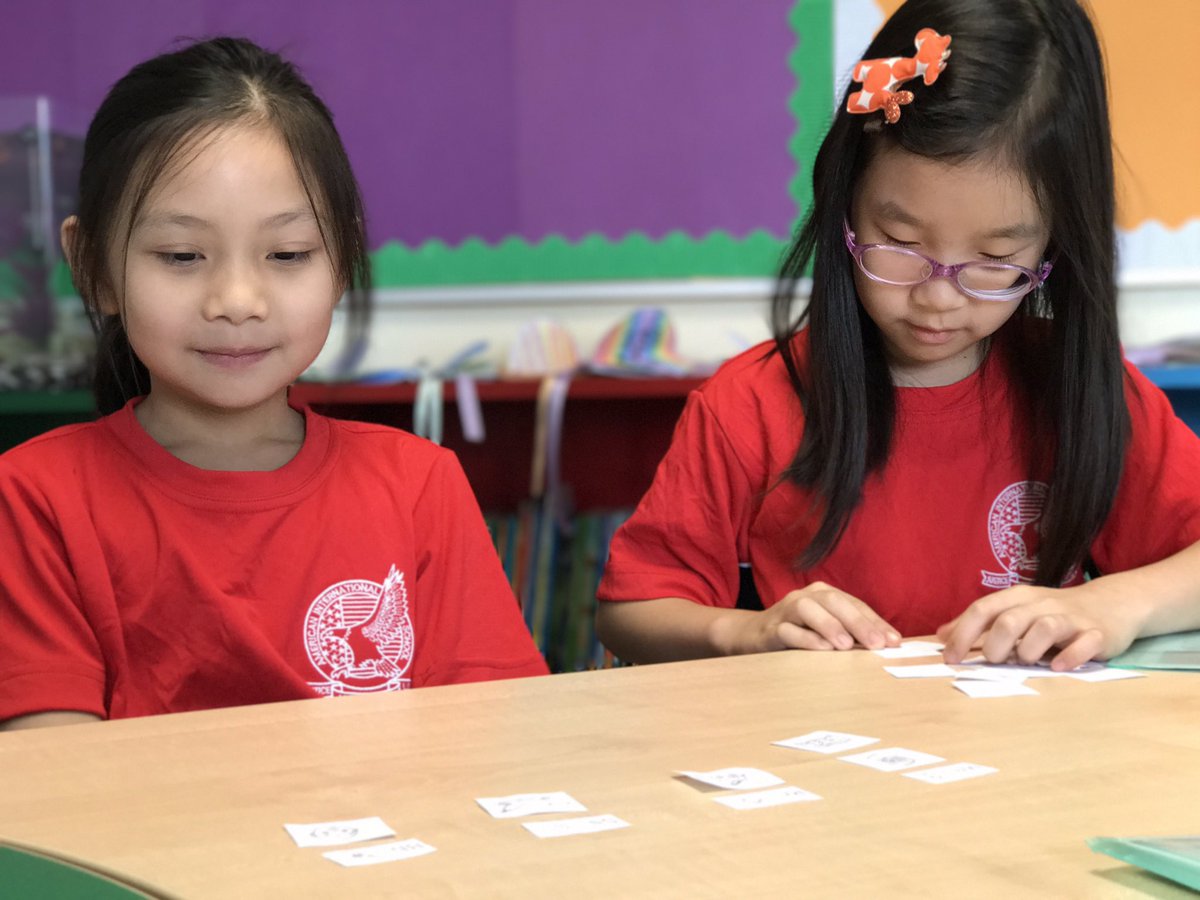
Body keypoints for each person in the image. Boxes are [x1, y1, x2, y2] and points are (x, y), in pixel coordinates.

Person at [596, 0, 1200, 671]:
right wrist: (750, 632)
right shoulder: (751, 405)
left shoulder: (1082, 391)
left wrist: (1117, 604)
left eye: (995, 261)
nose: (938, 298)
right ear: (844, 203)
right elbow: (631, 613)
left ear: (1055, 246)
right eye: (900, 242)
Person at [0, 37, 547, 731]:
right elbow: (59, 783)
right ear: (95, 267)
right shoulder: (34, 499)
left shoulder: (418, 485)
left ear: (341, 259)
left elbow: (491, 737)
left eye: (287, 254)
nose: (237, 299)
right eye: (181, 255)